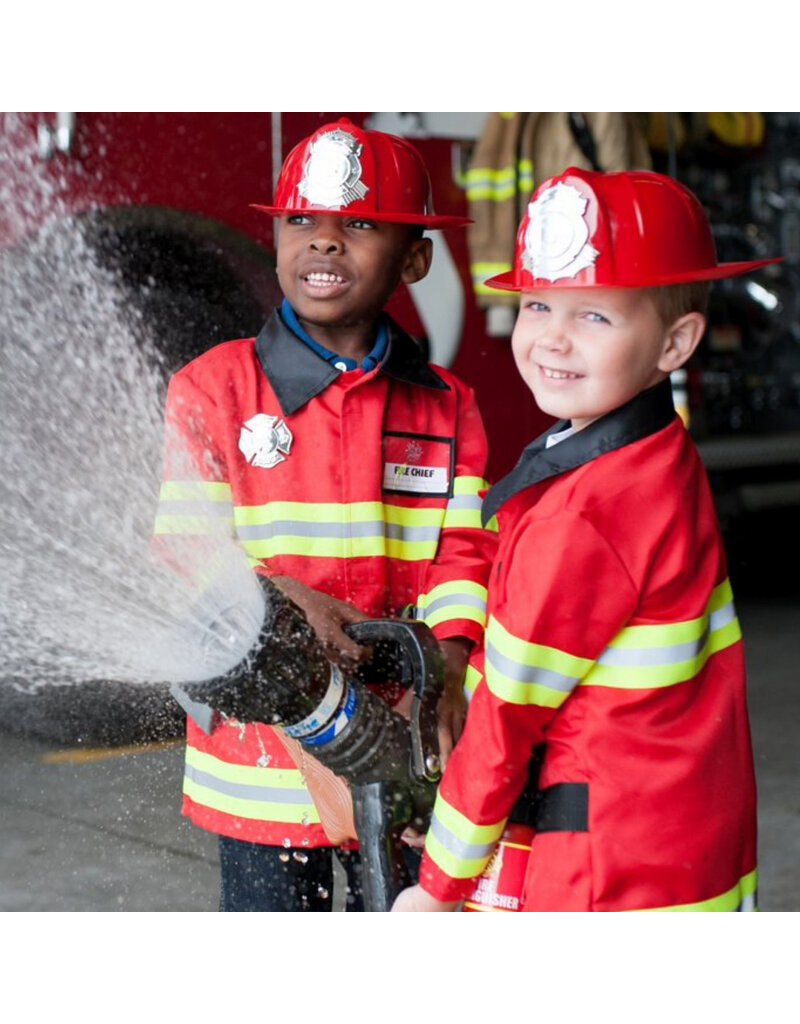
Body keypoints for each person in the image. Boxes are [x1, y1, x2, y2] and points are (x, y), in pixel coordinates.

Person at [393, 166, 778, 912]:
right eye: (538, 304)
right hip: (683, 849)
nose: (551, 339)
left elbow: (508, 718)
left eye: (595, 316)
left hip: (600, 876)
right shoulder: (658, 455)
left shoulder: (584, 512)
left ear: (677, 342)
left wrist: (438, 886)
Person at [153, 118, 498, 911]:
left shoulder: (449, 408)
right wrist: (278, 601)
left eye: (360, 224)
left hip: (411, 747)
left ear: (415, 257)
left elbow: (465, 552)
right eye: (301, 221)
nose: (326, 242)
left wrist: (444, 669)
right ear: (275, 240)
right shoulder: (212, 390)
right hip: (263, 773)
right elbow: (184, 548)